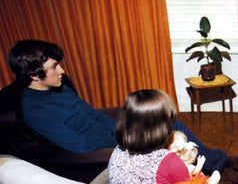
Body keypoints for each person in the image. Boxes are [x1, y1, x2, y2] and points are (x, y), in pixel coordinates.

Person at [7, 39, 226, 174]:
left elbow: (90, 112)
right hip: (100, 150)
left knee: (167, 120)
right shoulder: (34, 111)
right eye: (54, 67)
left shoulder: (58, 87)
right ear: (34, 75)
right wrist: (125, 138)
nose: (62, 71)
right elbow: (78, 144)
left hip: (115, 135)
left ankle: (212, 160)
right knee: (162, 135)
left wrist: (123, 125)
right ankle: (214, 163)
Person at [108, 89, 238, 184]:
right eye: (168, 122)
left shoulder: (117, 152)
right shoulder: (168, 162)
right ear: (160, 129)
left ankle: (225, 163)